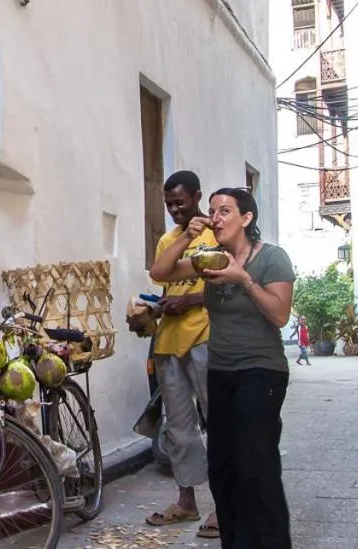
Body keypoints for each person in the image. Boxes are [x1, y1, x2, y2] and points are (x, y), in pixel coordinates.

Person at [152, 187, 295, 549]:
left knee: (256, 464)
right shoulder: (208, 259)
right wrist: (187, 234)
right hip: (221, 371)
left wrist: (243, 279)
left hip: (261, 371)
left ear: (246, 219)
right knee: (223, 467)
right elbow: (160, 272)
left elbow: (279, 315)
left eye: (225, 211)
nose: (215, 218)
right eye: (213, 211)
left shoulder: (272, 259)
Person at [141, 170, 220, 540]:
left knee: (218, 423)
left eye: (180, 202)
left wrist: (189, 299)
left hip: (205, 336)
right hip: (169, 342)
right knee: (179, 429)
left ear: (197, 196)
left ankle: (225, 505)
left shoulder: (217, 233)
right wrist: (157, 308)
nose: (174, 210)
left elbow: (230, 287)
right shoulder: (168, 240)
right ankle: (187, 501)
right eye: (169, 204)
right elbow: (161, 275)